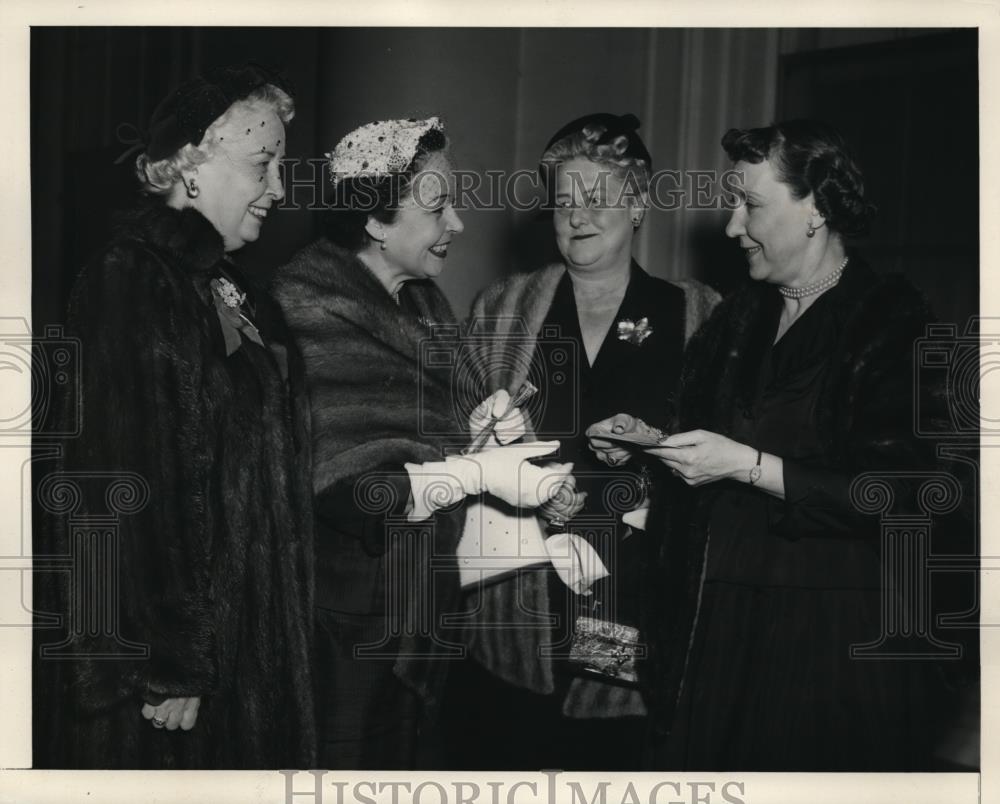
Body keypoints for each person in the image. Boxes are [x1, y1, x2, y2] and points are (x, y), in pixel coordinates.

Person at [592, 119, 955, 770]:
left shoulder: (890, 321)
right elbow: (704, 442)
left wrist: (752, 467)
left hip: (829, 643)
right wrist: (650, 445)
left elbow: (907, 496)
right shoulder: (740, 315)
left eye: (751, 205)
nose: (733, 227)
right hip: (718, 630)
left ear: (815, 209)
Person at [33, 64, 316, 769]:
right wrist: (170, 659)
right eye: (262, 163)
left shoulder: (229, 289)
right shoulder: (129, 278)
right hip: (173, 686)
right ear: (191, 166)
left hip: (242, 659)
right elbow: (120, 479)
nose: (278, 188)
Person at [271, 117, 568, 769]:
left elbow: (420, 437)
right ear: (376, 221)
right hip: (344, 625)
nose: (457, 224)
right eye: (438, 207)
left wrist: (480, 428)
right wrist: (477, 474)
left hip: (423, 609)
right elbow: (351, 491)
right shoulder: (310, 307)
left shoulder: (425, 304)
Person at [445, 113, 719, 771]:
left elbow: (722, 465)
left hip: (635, 606)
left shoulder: (700, 312)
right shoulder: (503, 308)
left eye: (598, 197)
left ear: (639, 202)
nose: (578, 215)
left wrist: (646, 477)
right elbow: (454, 448)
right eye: (565, 200)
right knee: (512, 761)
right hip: (515, 613)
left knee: (609, 761)